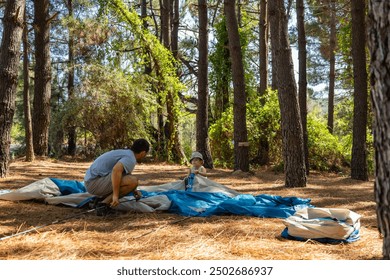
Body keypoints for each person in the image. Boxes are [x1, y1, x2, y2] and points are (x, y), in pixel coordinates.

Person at [84, 139, 150, 213]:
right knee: (133, 181)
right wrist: (115, 196)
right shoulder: (130, 158)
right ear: (143, 153)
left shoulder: (128, 153)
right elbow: (116, 171)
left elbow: (123, 174)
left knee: (132, 182)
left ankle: (100, 201)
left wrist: (134, 190)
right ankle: (103, 204)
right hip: (94, 183)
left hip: (92, 181)